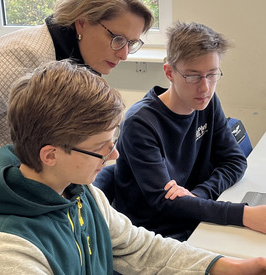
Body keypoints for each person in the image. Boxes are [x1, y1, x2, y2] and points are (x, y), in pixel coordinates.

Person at [0, 59, 266, 275]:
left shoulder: (82, 194)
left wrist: (229, 267)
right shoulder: (2, 251)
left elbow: (141, 249)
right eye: (101, 148)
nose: (114, 156)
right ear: (50, 155)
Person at [0, 0, 153, 214]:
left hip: (29, 188)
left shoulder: (80, 61)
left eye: (132, 43)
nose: (124, 54)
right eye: (117, 39)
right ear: (82, 22)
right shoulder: (22, 56)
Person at [95, 21, 266, 242]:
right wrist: (243, 215)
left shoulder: (208, 102)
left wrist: (199, 194)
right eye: (193, 76)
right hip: (158, 233)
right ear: (169, 72)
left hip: (196, 216)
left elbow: (235, 161)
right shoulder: (141, 123)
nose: (205, 87)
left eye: (212, 75)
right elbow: (165, 203)